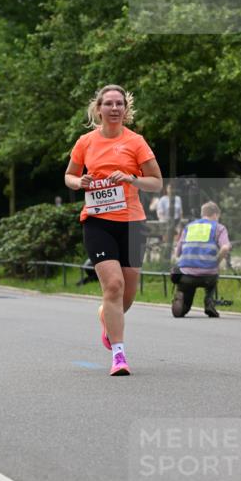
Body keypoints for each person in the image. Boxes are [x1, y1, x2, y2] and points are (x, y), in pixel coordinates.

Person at [64, 85, 163, 375]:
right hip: (97, 221)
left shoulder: (136, 142)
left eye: (119, 103)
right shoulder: (85, 141)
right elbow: (69, 174)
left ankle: (105, 316)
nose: (115, 108)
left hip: (132, 222)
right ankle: (119, 356)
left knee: (127, 294)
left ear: (126, 108)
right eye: (109, 103)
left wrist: (132, 179)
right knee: (114, 286)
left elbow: (156, 182)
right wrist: (78, 182)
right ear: (98, 109)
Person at [171, 202, 231, 318]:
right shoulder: (219, 228)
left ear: (202, 214)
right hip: (208, 276)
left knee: (186, 289)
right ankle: (209, 302)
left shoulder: (189, 227)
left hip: (186, 275)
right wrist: (216, 262)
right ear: (215, 214)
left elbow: (177, 252)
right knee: (212, 281)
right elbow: (225, 248)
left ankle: (183, 305)